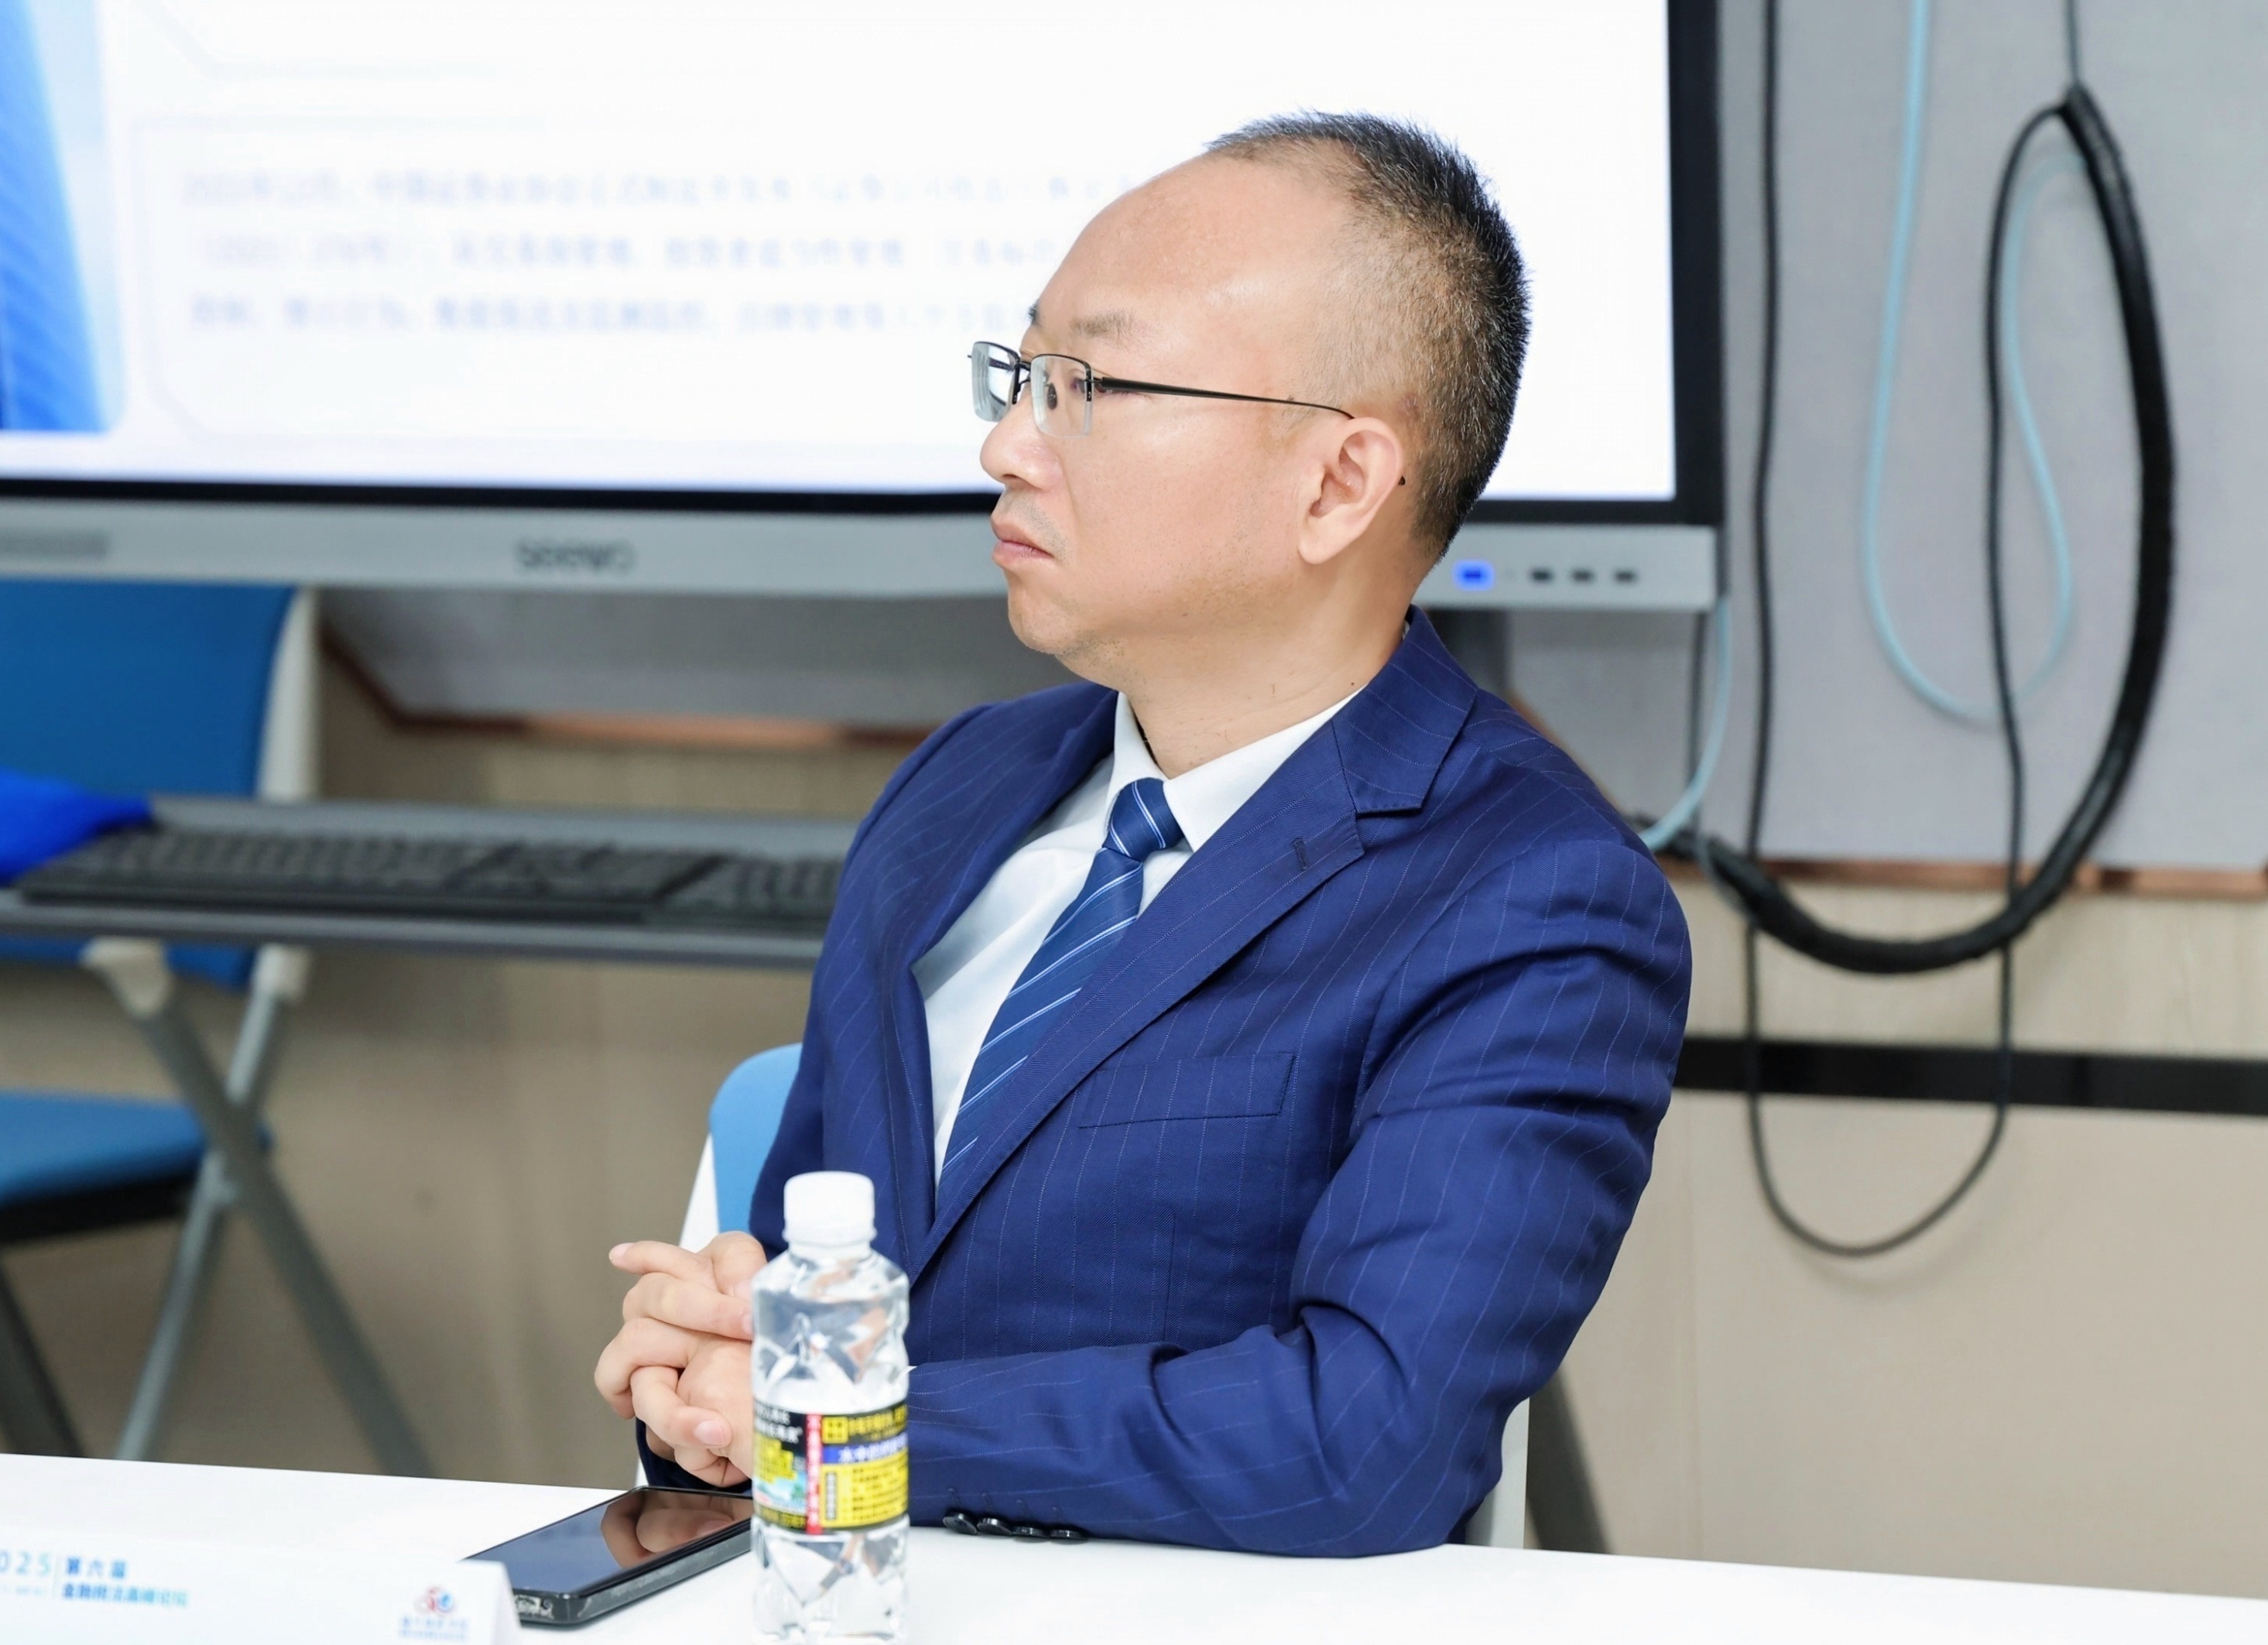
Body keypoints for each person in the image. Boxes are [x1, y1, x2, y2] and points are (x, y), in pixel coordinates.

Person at [595, 112, 1690, 1555]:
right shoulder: (963, 784)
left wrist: (848, 1411)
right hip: (838, 1616)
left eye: (1089, 387)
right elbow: (806, 1286)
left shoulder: (1529, 898)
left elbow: (1367, 1442)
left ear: (1338, 483)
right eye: (1019, 376)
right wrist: (711, 1383)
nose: (1005, 445)